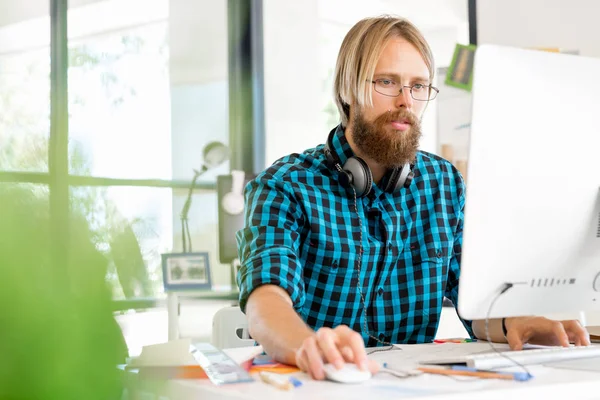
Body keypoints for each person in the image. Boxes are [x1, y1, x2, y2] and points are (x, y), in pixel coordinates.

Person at [235, 15, 590, 380]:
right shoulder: (284, 185)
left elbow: (477, 303)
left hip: (414, 385)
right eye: (387, 82)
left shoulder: (443, 183)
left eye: (419, 86)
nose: (406, 100)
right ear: (347, 90)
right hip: (318, 382)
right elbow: (266, 299)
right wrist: (307, 346)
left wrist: (520, 321)